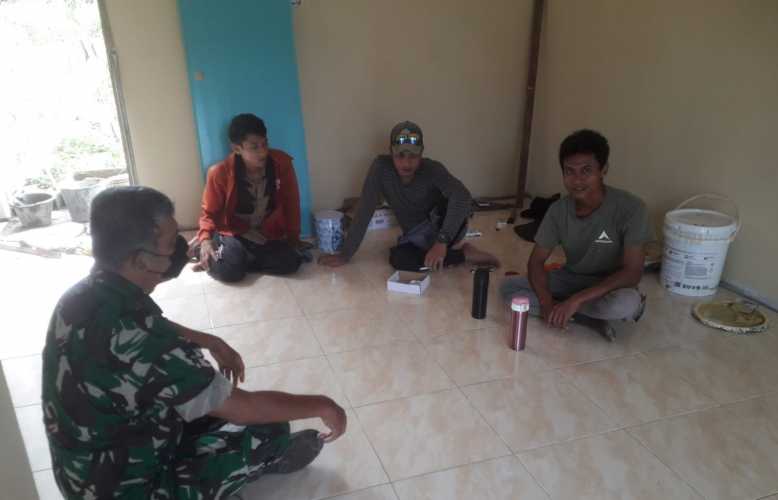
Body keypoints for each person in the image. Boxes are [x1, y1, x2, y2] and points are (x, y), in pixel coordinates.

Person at [42, 186, 347, 499]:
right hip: (128, 490)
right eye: (169, 246)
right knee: (269, 428)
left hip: (85, 470)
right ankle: (252, 465)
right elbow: (243, 408)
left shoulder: (81, 296)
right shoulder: (154, 345)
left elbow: (141, 326)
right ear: (140, 260)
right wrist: (322, 404)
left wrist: (208, 340)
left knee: (218, 411)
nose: (182, 250)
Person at [500, 129, 652, 341]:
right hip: (571, 278)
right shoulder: (558, 210)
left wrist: (576, 300)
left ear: (603, 170)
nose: (577, 180)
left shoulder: (632, 208)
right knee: (510, 290)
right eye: (569, 172)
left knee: (624, 304)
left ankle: (570, 309)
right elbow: (536, 261)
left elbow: (632, 272)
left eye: (586, 170)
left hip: (610, 285)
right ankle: (583, 317)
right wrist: (546, 302)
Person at [319, 121, 499, 271]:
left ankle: (444, 250)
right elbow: (365, 209)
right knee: (399, 260)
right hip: (416, 235)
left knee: (452, 200)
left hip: (443, 228)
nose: (407, 162)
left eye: (413, 155)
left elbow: (462, 197)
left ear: (421, 153)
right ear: (391, 152)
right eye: (400, 155)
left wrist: (442, 241)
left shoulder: (432, 169)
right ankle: (465, 254)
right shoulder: (381, 168)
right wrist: (345, 254)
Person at [194, 113, 304, 282]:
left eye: (265, 144)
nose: (263, 152)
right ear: (236, 148)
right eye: (254, 147)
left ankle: (238, 260)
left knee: (292, 261)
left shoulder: (281, 163)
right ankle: (220, 256)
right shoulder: (219, 173)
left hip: (265, 234)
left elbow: (292, 202)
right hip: (234, 233)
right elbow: (208, 213)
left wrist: (293, 238)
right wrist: (205, 240)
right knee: (230, 272)